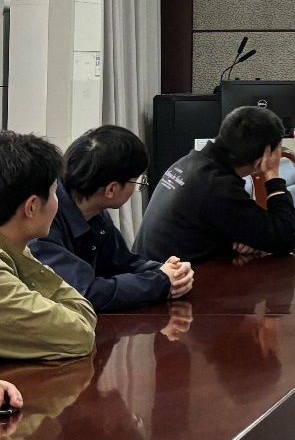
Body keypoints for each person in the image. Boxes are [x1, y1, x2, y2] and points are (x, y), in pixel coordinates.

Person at [29, 126, 194, 312]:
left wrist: (169, 272)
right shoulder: (42, 221)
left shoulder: (94, 211)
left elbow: (122, 263)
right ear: (111, 190)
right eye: (137, 181)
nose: (137, 187)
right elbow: (84, 293)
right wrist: (160, 281)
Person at [134, 106, 295, 265]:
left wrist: (248, 238)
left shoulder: (191, 162)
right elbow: (284, 238)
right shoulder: (218, 187)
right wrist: (272, 174)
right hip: (164, 280)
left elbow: (209, 225)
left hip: (147, 271)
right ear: (261, 160)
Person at [0, 132, 96, 361]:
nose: (58, 203)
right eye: (55, 192)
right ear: (32, 207)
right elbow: (78, 334)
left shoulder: (14, 248)